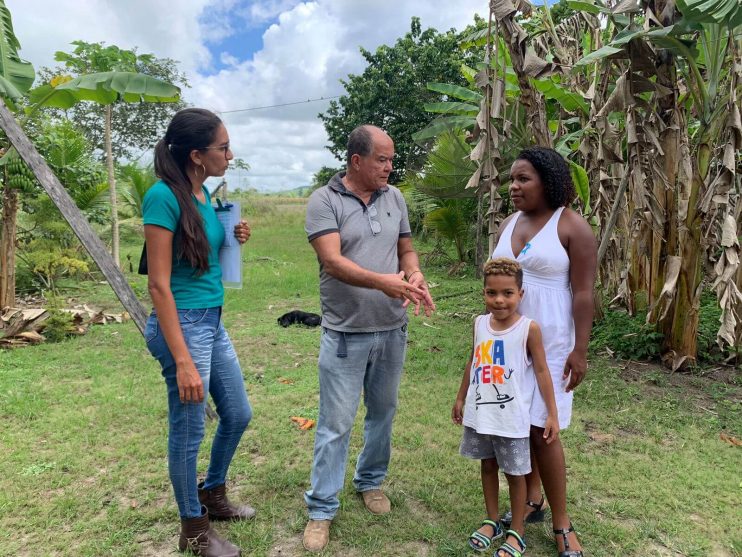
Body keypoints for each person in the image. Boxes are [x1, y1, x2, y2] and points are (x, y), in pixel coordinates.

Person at [302, 124, 436, 552]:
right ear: (356, 161)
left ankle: (371, 481)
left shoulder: (395, 197)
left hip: (392, 329)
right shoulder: (324, 201)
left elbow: (406, 249)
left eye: (391, 159)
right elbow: (333, 262)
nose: (389, 167)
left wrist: (412, 273)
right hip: (345, 332)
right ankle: (321, 509)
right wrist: (384, 283)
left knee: (383, 413)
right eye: (382, 159)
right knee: (335, 424)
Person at [143, 108, 254, 557]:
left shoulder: (204, 194)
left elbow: (202, 253)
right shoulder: (162, 197)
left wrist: (233, 235)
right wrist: (184, 359)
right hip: (184, 326)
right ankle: (193, 528)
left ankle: (213, 492)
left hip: (211, 318)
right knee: (188, 432)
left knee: (239, 414)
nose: (229, 153)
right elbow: (158, 282)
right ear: (196, 154)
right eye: (222, 147)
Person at [491, 146, 596, 556]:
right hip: (507, 342)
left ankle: (562, 522)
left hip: (551, 346)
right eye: (512, 179)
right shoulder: (507, 223)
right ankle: (531, 500)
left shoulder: (571, 227)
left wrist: (580, 350)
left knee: (544, 431)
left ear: (548, 182)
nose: (514, 187)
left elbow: (584, 294)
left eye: (523, 179)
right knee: (517, 423)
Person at [452, 257, 559, 557]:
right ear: (484, 292)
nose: (499, 300)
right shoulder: (479, 324)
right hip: (480, 413)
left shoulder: (528, 329)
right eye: (491, 293)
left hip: (511, 419)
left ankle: (517, 532)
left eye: (507, 293)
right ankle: (492, 520)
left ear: (520, 294)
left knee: (515, 474)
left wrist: (552, 413)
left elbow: (541, 371)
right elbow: (473, 361)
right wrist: (461, 397)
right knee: (487, 465)